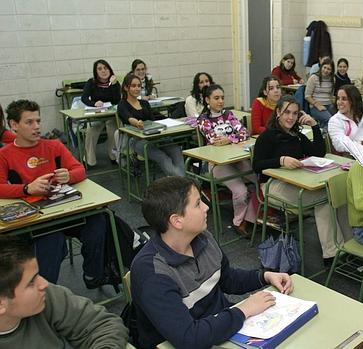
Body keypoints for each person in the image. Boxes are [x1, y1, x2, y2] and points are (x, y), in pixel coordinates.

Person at [131, 176, 293, 349]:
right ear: (177, 221)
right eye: (198, 203)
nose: (206, 207)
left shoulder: (203, 238)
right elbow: (189, 338)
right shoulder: (152, 272)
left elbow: (227, 278)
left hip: (220, 327)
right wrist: (244, 310)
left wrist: (264, 276)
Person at [0, 99, 110, 288]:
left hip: (63, 210)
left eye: (38, 121)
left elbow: (79, 170)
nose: (36, 127)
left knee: (99, 220)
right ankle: (44, 296)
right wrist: (26, 189)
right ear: (13, 125)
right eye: (29, 122)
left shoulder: (53, 146)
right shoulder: (5, 154)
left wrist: (69, 176)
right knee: (52, 241)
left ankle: (93, 275)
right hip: (36, 219)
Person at [252, 95, 343, 266]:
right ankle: (333, 251)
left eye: (294, 113)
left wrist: (315, 126)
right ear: (278, 112)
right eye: (287, 112)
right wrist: (281, 160)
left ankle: (342, 246)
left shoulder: (296, 135)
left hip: (294, 183)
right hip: (272, 186)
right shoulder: (268, 136)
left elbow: (319, 152)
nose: (291, 117)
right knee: (326, 197)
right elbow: (256, 165)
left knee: (336, 193)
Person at [0, 236, 128, 348]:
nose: (44, 283)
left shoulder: (46, 295)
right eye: (31, 282)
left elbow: (102, 325)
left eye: (37, 275)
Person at [196, 84, 256, 236]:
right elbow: (214, 139)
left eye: (222, 98)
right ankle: (238, 222)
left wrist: (229, 139)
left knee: (259, 180)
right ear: (207, 100)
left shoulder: (228, 114)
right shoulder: (204, 120)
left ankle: (250, 216)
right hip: (218, 163)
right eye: (216, 98)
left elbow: (244, 133)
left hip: (237, 157)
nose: (221, 101)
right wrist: (233, 138)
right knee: (241, 191)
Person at [117, 74, 185, 177]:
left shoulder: (145, 103)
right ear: (126, 88)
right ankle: (183, 182)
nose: (137, 88)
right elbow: (128, 118)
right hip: (137, 140)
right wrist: (137, 123)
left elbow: (153, 121)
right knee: (162, 157)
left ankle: (181, 181)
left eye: (139, 86)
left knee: (175, 150)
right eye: (133, 86)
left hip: (154, 136)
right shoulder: (122, 104)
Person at [81, 59, 120, 167]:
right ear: (96, 71)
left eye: (105, 68)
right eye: (100, 69)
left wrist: (114, 85)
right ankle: (89, 160)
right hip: (97, 115)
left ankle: (113, 156)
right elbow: (84, 98)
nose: (103, 71)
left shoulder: (115, 83)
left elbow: (117, 100)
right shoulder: (91, 82)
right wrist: (94, 103)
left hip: (111, 115)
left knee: (113, 129)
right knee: (91, 131)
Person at [328, 84, 363, 153]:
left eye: (344, 99)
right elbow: (340, 145)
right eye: (338, 98)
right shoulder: (335, 121)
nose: (339, 102)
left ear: (353, 101)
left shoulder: (361, 115)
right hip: (350, 157)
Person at [305, 57, 336, 127]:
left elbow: (331, 95)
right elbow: (307, 96)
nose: (326, 70)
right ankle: (325, 135)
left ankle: (324, 133)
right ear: (321, 67)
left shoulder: (333, 79)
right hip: (315, 106)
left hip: (329, 105)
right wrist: (317, 105)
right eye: (324, 67)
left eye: (328, 69)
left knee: (337, 120)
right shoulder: (313, 78)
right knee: (329, 119)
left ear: (332, 71)